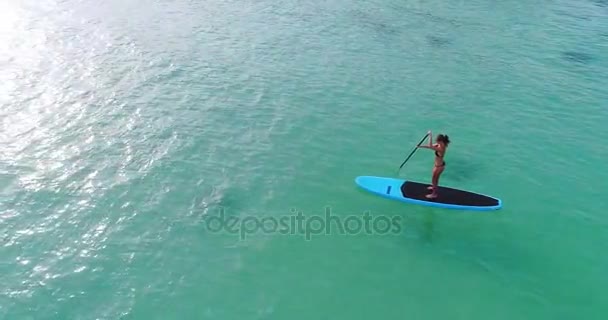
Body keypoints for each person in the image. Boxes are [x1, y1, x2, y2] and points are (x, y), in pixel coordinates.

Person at [417, 130, 450, 198]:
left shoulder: (441, 148)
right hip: (438, 165)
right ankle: (433, 187)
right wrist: (420, 146)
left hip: (439, 167)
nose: (436, 142)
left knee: (434, 179)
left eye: (437, 141)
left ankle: (434, 194)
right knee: (435, 179)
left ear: (441, 141)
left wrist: (430, 135)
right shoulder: (439, 144)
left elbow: (430, 145)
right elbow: (430, 146)